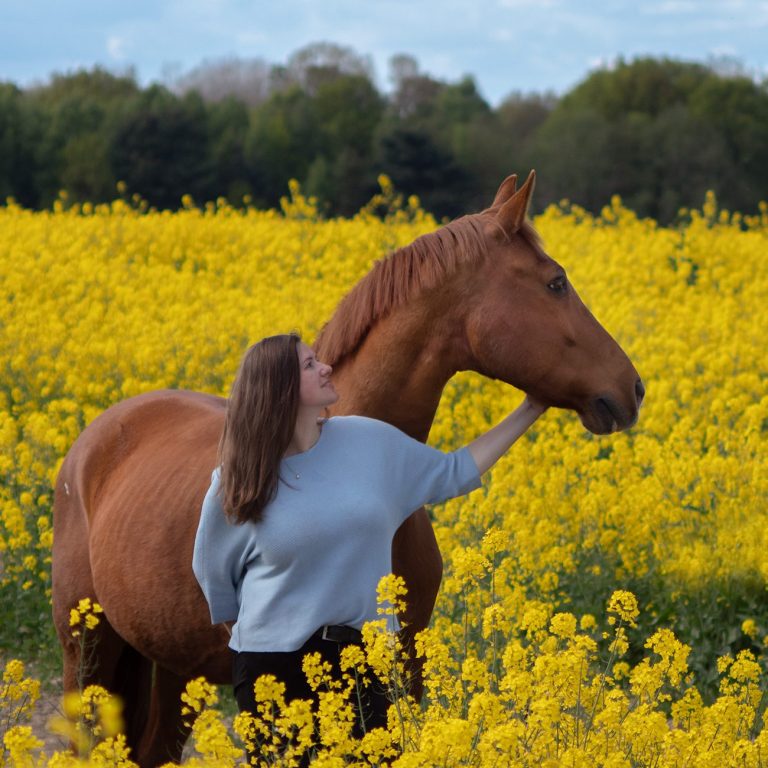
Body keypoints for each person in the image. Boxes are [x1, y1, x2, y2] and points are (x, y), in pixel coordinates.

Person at [192, 332, 547, 753]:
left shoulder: (366, 440)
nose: (325, 367)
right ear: (279, 387)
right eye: (309, 365)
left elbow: (454, 472)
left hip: (368, 660)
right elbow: (212, 572)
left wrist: (532, 407)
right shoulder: (238, 480)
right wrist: (259, 636)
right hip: (274, 670)